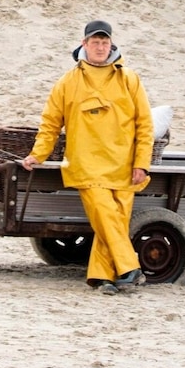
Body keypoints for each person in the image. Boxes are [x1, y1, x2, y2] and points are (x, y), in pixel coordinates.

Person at [22, 19, 154, 294]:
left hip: (124, 165)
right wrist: (37, 155)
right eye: (95, 42)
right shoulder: (67, 82)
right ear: (84, 44)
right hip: (86, 165)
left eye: (105, 43)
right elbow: (50, 123)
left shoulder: (129, 78)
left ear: (111, 44)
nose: (100, 48)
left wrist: (141, 162)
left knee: (113, 221)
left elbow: (145, 124)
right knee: (106, 214)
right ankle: (130, 267)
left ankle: (101, 277)